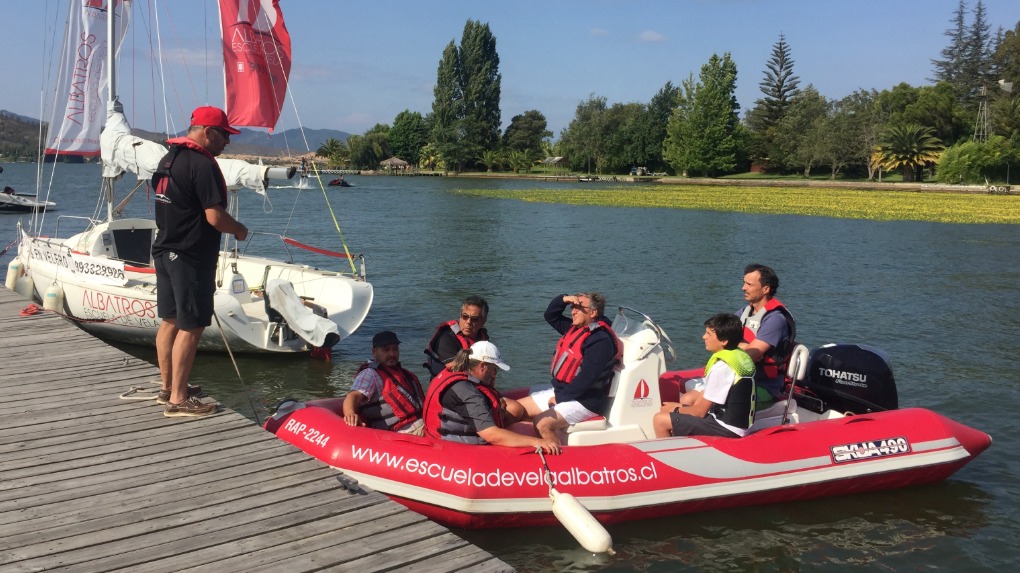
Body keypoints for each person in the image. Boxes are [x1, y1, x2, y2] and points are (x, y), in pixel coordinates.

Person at [152, 106, 247, 417]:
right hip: (190, 256)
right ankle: (179, 400)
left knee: (170, 321)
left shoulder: (170, 158)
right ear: (208, 132)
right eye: (224, 135)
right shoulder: (201, 165)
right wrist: (240, 229)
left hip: (165, 249)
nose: (227, 143)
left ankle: (168, 387)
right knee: (192, 326)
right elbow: (214, 217)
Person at [517, 292, 622, 446]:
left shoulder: (600, 340)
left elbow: (587, 378)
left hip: (586, 401)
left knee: (542, 423)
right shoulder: (576, 328)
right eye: (573, 307)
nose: (573, 311)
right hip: (565, 392)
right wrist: (564, 299)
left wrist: (560, 398)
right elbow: (551, 315)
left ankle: (559, 465)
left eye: (579, 308)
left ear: (593, 312)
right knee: (514, 408)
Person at [423, 341, 559, 454]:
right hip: (456, 450)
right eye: (494, 369)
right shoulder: (468, 393)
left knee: (516, 410)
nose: (495, 375)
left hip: (439, 437)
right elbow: (492, 435)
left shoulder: (455, 373)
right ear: (482, 366)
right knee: (523, 429)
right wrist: (537, 442)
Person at [653, 313, 756, 438]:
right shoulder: (737, 356)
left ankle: (667, 455)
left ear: (724, 341)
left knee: (660, 420)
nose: (703, 337)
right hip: (736, 423)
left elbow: (700, 412)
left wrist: (675, 409)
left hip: (726, 428)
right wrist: (677, 407)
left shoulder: (721, 368)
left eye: (709, 334)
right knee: (678, 405)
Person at [342, 330, 425, 435]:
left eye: (395, 349)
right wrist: (350, 414)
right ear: (374, 352)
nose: (391, 354)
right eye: (385, 350)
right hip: (403, 433)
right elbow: (352, 396)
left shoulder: (404, 374)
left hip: (423, 425)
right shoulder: (370, 374)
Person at [737, 263, 797, 403]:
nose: (743, 288)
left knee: (714, 399)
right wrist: (743, 346)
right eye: (744, 283)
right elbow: (720, 338)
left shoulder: (775, 319)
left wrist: (732, 346)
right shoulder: (745, 312)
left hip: (765, 386)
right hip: (743, 378)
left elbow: (752, 355)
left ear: (765, 289)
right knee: (692, 397)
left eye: (749, 284)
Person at [423, 295, 490, 379]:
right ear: (460, 316)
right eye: (465, 316)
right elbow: (454, 367)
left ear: (483, 321)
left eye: (474, 319)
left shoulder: (483, 338)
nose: (468, 322)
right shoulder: (446, 338)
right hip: (451, 385)